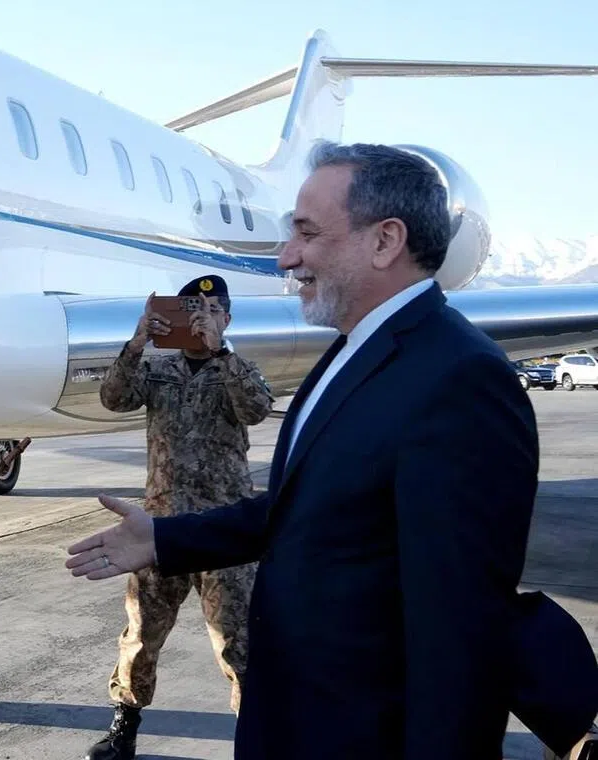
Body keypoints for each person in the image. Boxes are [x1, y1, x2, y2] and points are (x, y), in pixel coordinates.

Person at [66, 142, 549, 758]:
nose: (285, 257)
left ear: (385, 241)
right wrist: (164, 539)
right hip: (301, 718)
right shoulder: (353, 351)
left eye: (306, 232)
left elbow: (460, 627)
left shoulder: (459, 378)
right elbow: (304, 508)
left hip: (359, 734)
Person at [85, 274, 273, 760]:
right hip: (160, 529)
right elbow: (113, 398)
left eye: (211, 312)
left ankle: (256, 737)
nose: (200, 320)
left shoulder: (238, 369)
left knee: (239, 641)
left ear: (226, 318)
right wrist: (137, 342)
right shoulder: (159, 369)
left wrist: (222, 352)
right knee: (141, 635)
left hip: (223, 532)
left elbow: (255, 409)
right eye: (191, 311)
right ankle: (124, 727)